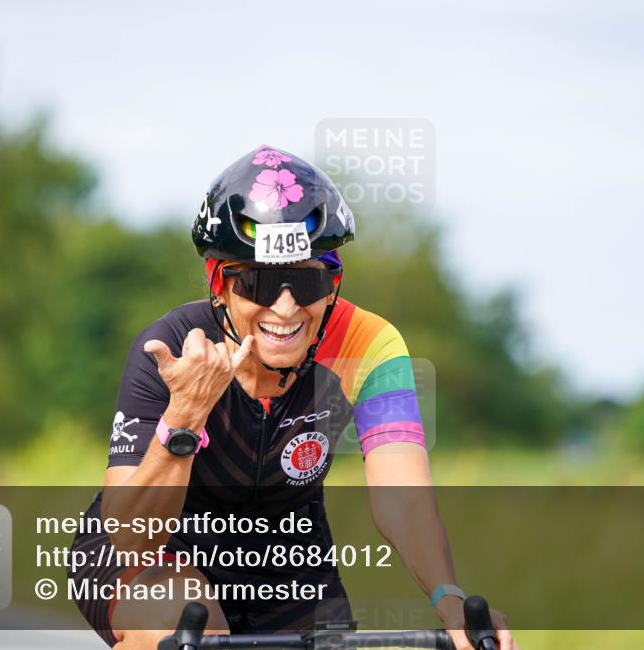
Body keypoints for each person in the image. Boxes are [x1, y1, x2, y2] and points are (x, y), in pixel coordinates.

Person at [68, 146, 517, 650]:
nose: (284, 307)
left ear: (333, 284)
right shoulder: (173, 348)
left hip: (288, 555)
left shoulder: (370, 345)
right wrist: (186, 415)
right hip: (162, 549)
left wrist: (449, 599)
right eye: (259, 281)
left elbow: (404, 497)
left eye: (305, 280)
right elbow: (131, 538)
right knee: (180, 624)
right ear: (220, 284)